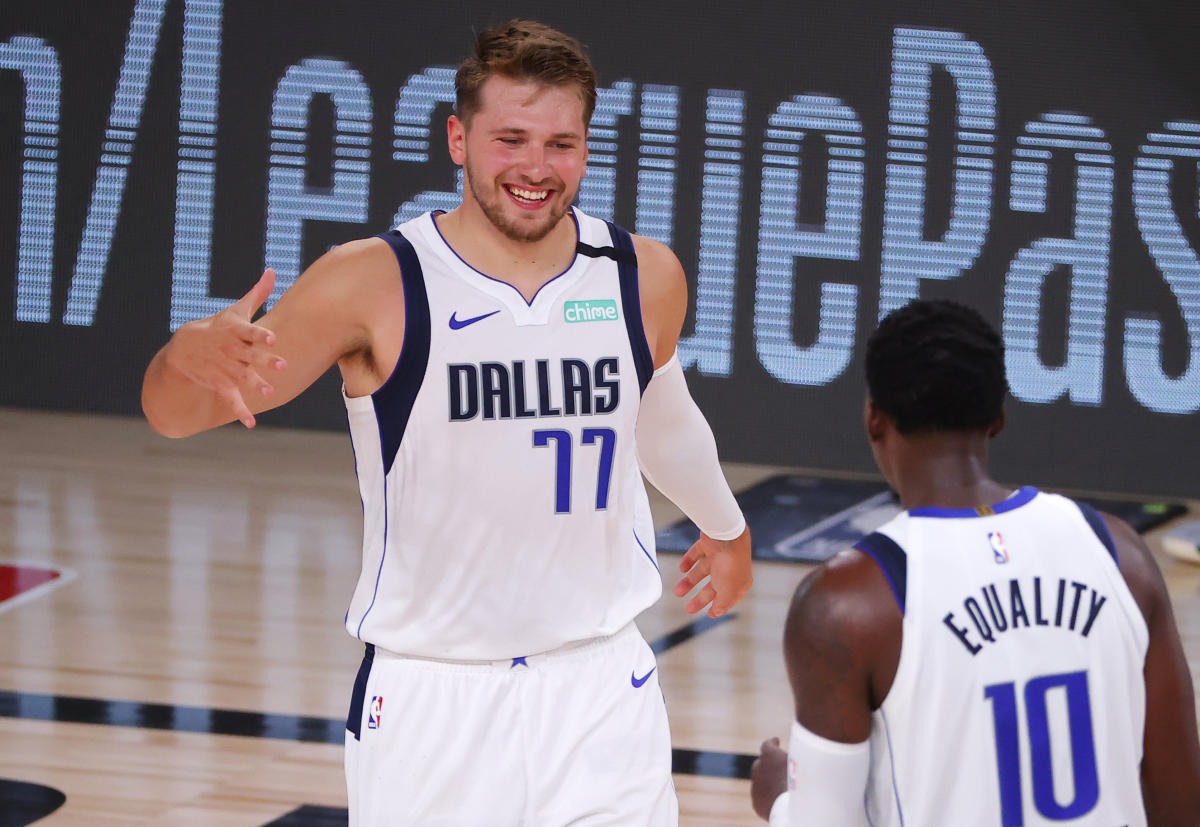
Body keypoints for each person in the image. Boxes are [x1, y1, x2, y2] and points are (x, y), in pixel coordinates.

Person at [142, 19, 752, 826]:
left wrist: (726, 525)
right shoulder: (371, 282)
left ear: (587, 147)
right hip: (434, 697)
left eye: (561, 144)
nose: (536, 169)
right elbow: (175, 416)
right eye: (511, 140)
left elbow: (658, 414)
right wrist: (185, 357)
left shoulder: (645, 275)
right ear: (458, 139)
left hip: (604, 687)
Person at [749, 299, 1200, 826]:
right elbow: (1182, 805)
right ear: (999, 416)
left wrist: (782, 800)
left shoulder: (848, 602)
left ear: (874, 418)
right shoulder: (1119, 553)